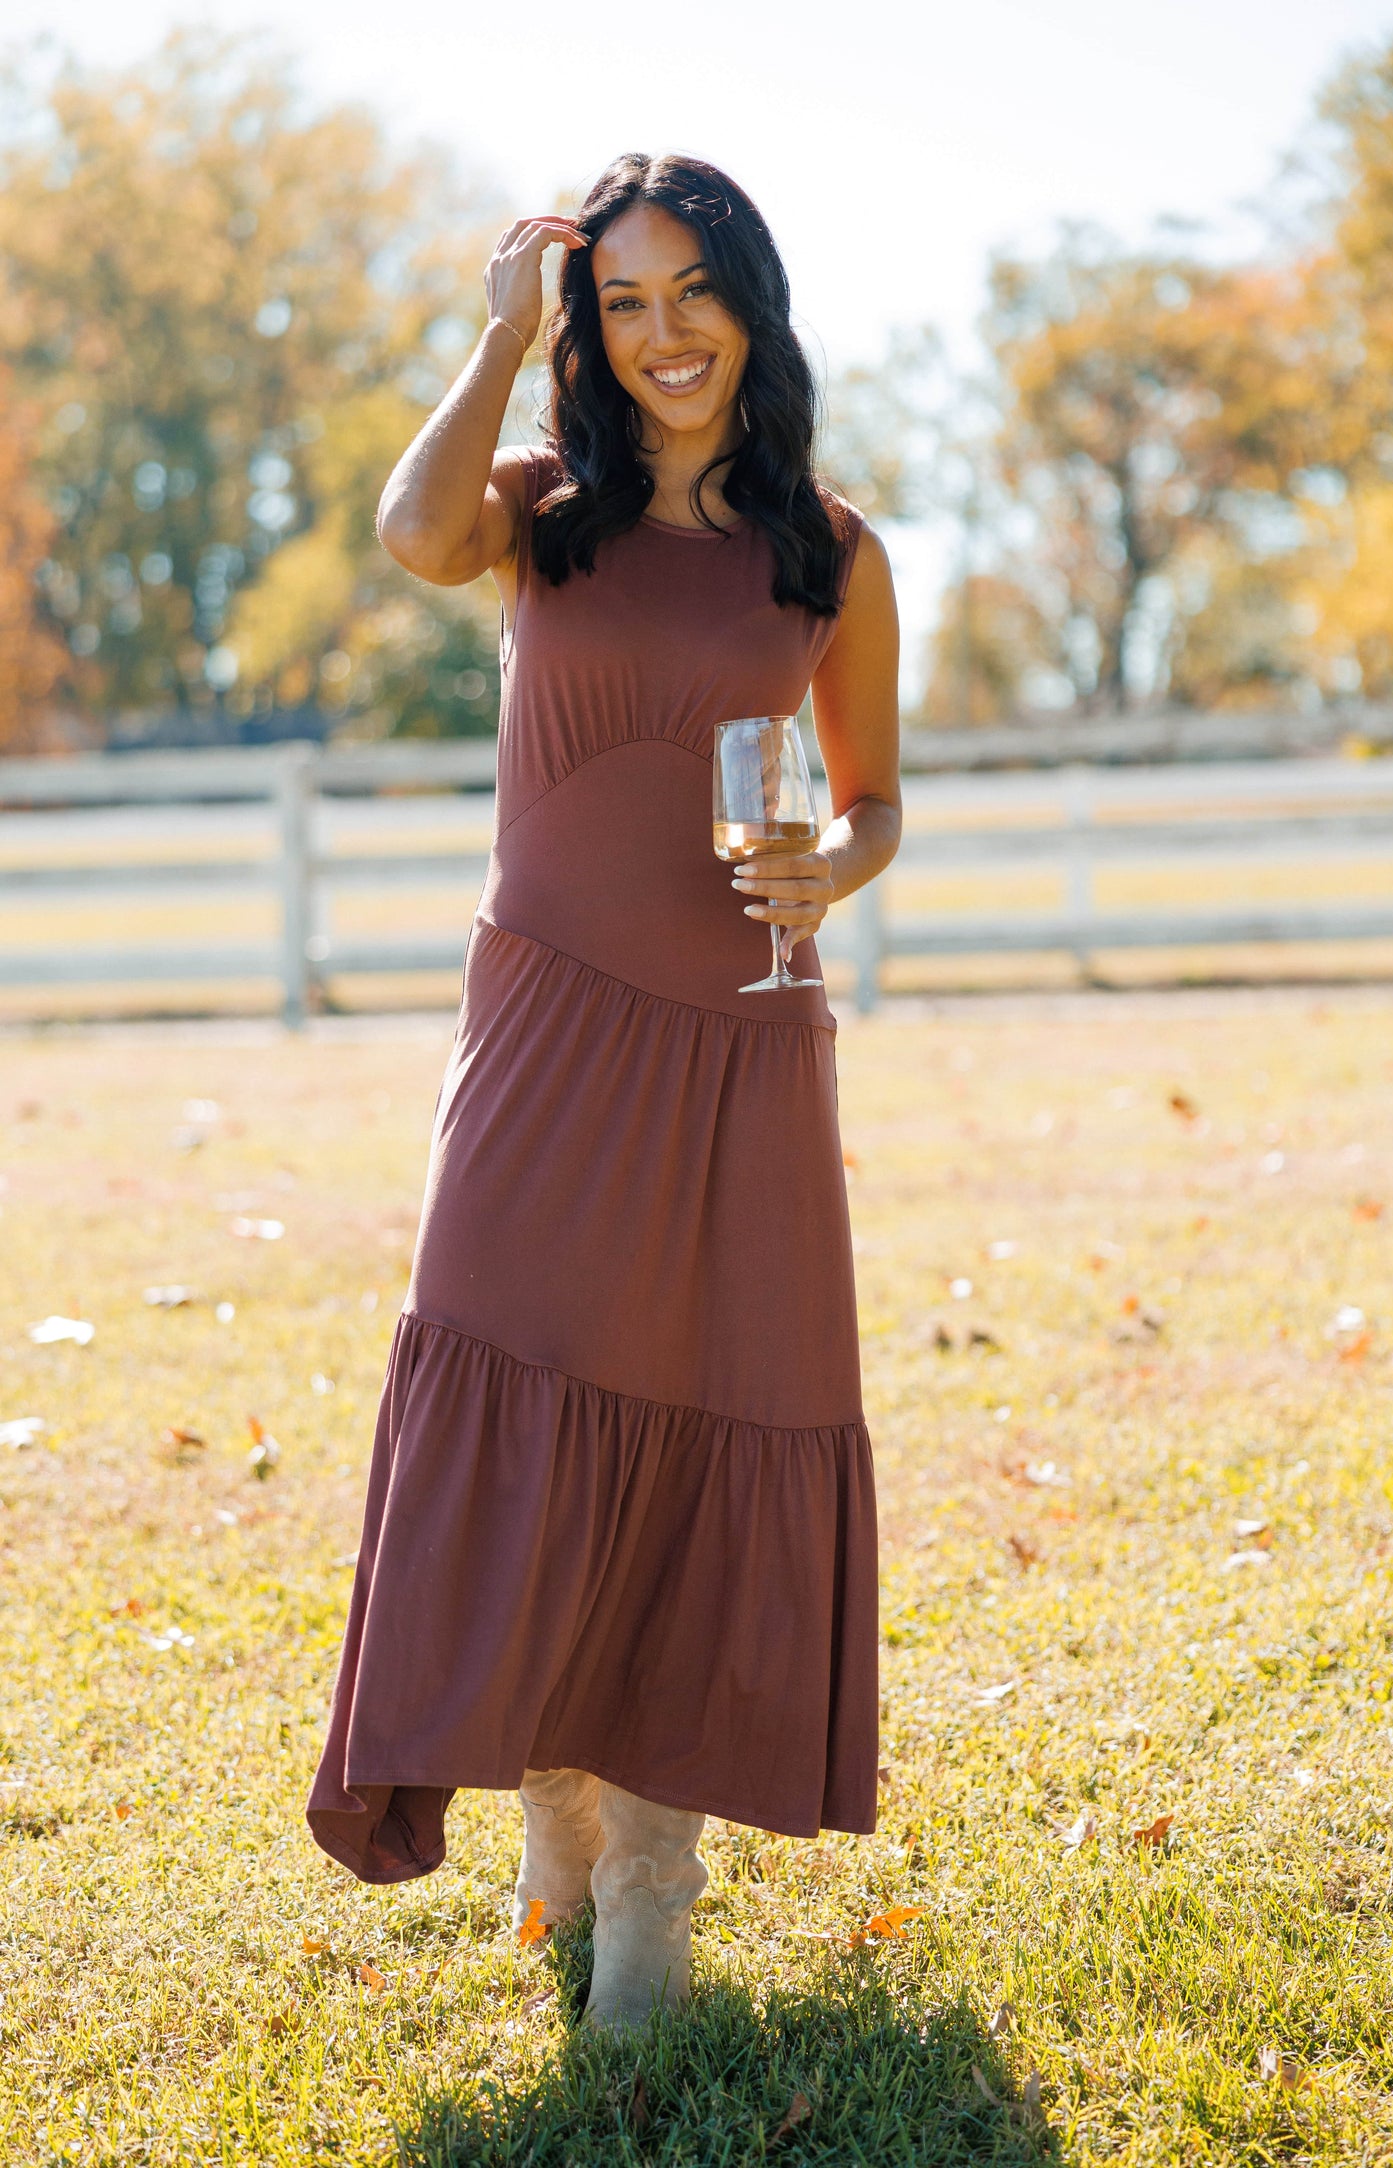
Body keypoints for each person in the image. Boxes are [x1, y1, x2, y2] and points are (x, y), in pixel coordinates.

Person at [307, 151, 901, 2031]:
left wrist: (843, 869)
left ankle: (650, 1883)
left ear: (753, 301)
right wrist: (495, 340)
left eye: (690, 293)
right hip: (546, 1030)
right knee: (515, 1389)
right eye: (621, 303)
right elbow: (408, 534)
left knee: (708, 1411)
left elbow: (874, 790)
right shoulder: (535, 512)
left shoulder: (828, 548)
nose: (661, 337)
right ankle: (552, 1826)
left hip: (739, 1037)